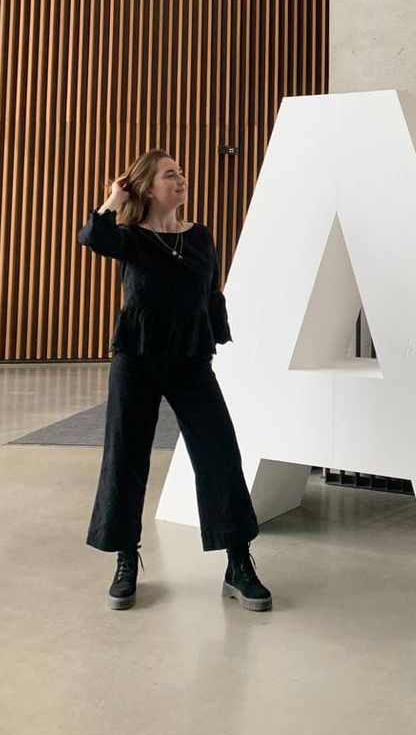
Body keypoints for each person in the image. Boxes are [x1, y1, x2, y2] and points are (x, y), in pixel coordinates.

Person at [78, 149, 271, 613]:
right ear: (148, 188)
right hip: (137, 358)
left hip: (189, 360)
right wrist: (112, 197)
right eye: (170, 174)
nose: (181, 179)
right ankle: (126, 558)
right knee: (126, 456)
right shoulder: (129, 237)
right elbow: (91, 236)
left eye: (182, 172)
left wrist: (214, 339)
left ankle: (238, 562)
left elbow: (211, 292)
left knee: (219, 452)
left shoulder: (200, 236)